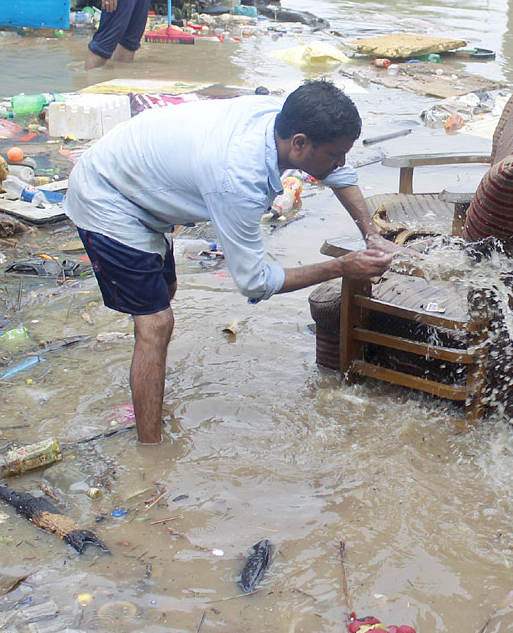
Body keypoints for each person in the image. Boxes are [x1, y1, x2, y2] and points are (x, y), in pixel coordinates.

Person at [64, 82, 397, 444]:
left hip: (142, 177)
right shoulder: (237, 180)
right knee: (156, 323)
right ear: (299, 143)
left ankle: (150, 379)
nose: (341, 162)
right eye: (335, 153)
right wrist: (340, 267)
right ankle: (151, 451)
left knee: (165, 293)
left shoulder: (280, 114)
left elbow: (338, 174)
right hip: (108, 196)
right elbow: (254, 283)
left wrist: (372, 236)